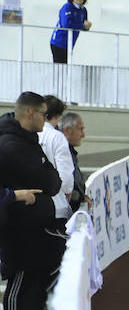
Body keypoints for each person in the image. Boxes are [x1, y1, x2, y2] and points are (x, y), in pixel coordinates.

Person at [0, 92, 64, 310]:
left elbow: (53, 180)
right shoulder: (12, 145)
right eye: (42, 113)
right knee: (19, 280)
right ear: (29, 113)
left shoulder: (27, 141)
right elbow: (48, 180)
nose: (45, 119)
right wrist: (16, 195)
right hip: (16, 229)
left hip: (31, 227)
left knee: (33, 279)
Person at [38, 96, 75, 229]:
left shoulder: (28, 133)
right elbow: (65, 175)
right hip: (56, 205)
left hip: (29, 205)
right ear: (59, 116)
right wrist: (67, 191)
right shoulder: (57, 137)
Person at [49, 0, 92, 64]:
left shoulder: (83, 10)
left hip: (70, 44)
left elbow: (84, 25)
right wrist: (83, 26)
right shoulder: (67, 7)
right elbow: (66, 25)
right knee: (60, 68)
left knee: (65, 69)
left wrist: (87, 27)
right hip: (59, 42)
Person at [59, 111, 90, 212]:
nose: (83, 135)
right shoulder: (64, 154)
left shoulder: (70, 153)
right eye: (80, 129)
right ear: (67, 131)